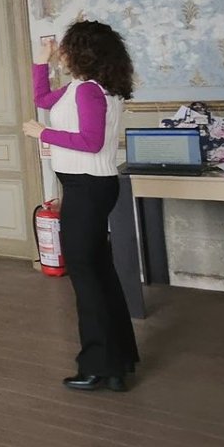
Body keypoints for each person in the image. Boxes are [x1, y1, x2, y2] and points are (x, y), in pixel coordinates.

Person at [23, 20, 140, 392]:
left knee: (87, 278)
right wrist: (40, 62)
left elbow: (90, 142)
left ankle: (97, 366)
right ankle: (117, 363)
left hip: (88, 187)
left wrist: (43, 133)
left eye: (66, 47)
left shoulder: (89, 91)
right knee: (99, 273)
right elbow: (43, 100)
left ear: (81, 52)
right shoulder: (83, 87)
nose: (62, 52)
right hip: (85, 186)